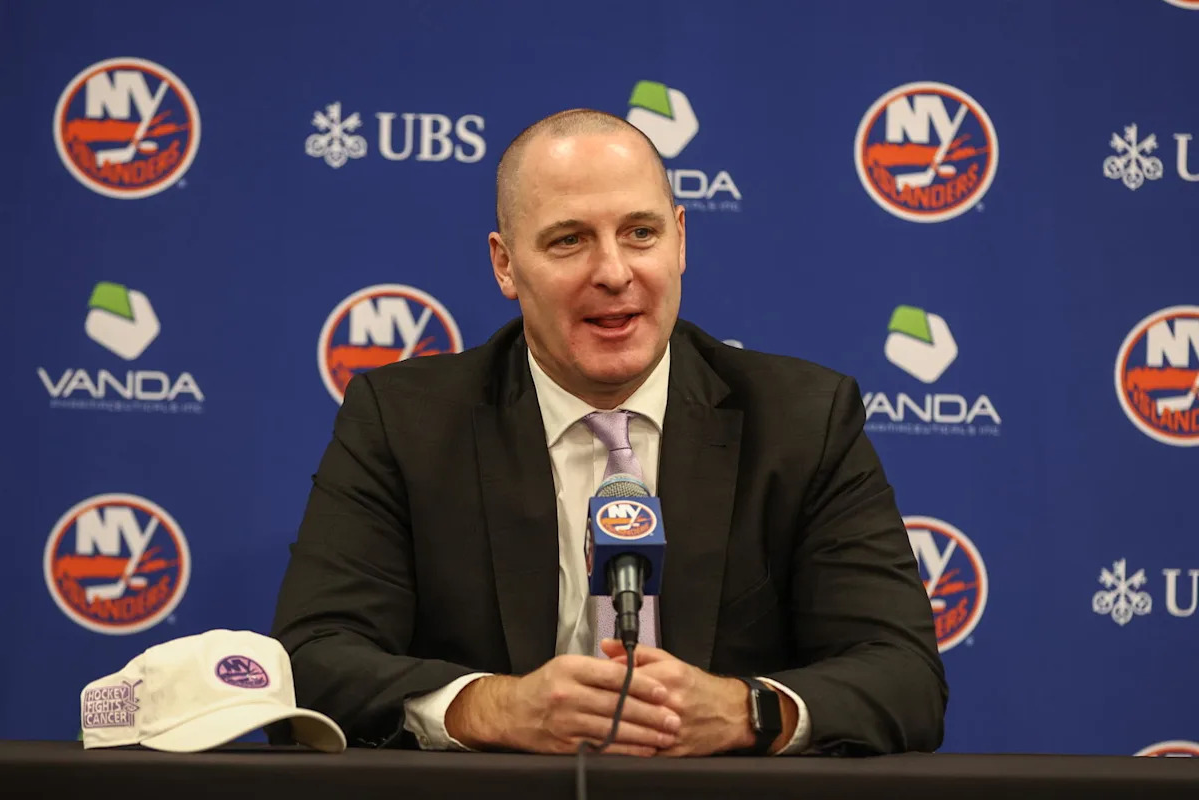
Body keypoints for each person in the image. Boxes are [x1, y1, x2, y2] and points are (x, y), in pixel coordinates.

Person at [269, 108, 947, 757]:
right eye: (569, 240)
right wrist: (494, 708)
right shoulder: (404, 421)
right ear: (505, 265)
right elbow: (312, 660)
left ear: (680, 239)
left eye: (640, 233)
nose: (615, 273)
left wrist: (743, 711)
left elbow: (904, 675)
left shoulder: (801, 420)